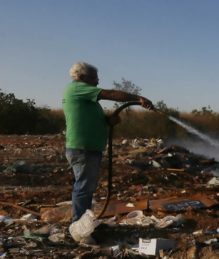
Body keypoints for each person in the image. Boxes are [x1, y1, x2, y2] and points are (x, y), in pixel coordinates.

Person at [62, 61, 154, 224]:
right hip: (83, 149)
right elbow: (109, 94)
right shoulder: (77, 88)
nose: (97, 81)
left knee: (86, 188)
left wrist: (108, 121)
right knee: (83, 188)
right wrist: (137, 98)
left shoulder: (84, 95)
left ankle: (83, 223)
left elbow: (88, 119)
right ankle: (78, 226)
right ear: (82, 77)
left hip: (88, 148)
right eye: (94, 78)